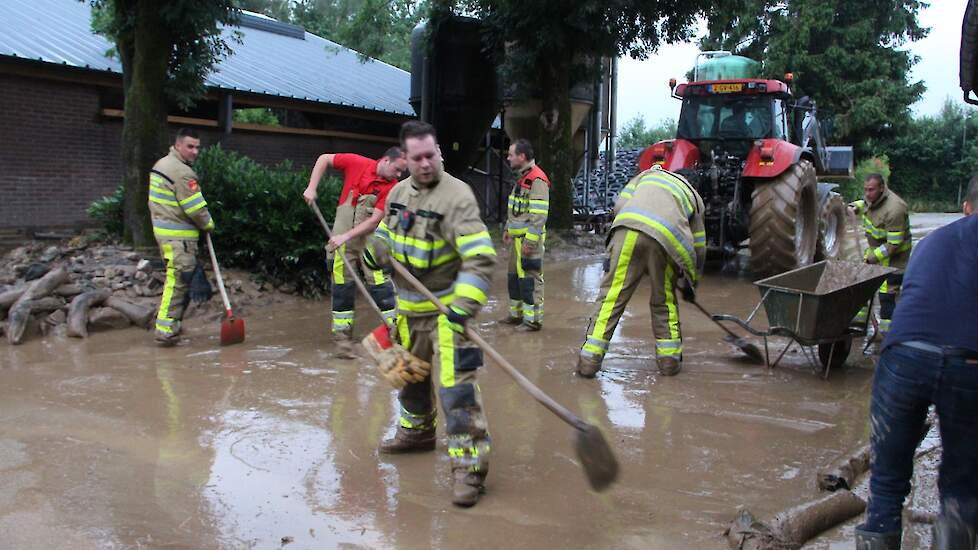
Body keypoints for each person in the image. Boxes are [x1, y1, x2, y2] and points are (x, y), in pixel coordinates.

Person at [362, 121, 496, 507]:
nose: (424, 163)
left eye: (430, 155)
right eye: (416, 157)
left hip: (448, 312)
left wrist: (463, 307)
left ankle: (469, 471)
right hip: (409, 310)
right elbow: (386, 236)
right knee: (409, 379)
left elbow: (479, 259)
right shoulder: (399, 193)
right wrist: (375, 252)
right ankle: (417, 435)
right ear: (404, 158)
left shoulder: (458, 197)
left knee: (458, 394)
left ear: (439, 153)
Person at [855, 175, 978, 550]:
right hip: (968, 362)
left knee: (887, 480)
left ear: (967, 207)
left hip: (901, 356)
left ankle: (878, 533)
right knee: (961, 483)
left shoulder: (934, 241)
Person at [576, 165, 706, 378]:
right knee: (664, 301)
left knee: (611, 298)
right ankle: (669, 362)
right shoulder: (693, 196)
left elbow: (619, 206)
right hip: (666, 242)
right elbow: (699, 247)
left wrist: (616, 246)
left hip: (627, 231)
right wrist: (692, 283)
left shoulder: (648, 175)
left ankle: (588, 361)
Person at [303, 148, 406, 351]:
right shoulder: (356, 163)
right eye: (397, 170)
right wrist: (311, 187)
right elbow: (324, 158)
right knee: (341, 288)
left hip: (370, 244)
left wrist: (345, 237)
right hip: (342, 245)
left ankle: (397, 334)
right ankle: (343, 341)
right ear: (386, 160)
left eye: (401, 172)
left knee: (381, 287)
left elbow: (374, 221)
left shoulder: (393, 188)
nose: (399, 176)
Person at [148, 128, 215, 346]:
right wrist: (209, 224)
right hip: (179, 239)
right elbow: (195, 209)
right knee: (177, 282)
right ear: (178, 145)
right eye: (190, 146)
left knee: (176, 279)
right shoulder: (182, 172)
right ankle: (166, 331)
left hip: (166, 236)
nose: (195, 151)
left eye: (197, 147)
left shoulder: (161, 165)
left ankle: (171, 326)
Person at [848, 174, 912, 340]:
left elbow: (894, 244)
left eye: (871, 190)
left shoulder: (895, 209)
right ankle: (858, 325)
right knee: (860, 288)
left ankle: (887, 335)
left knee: (887, 297)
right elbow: (866, 204)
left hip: (895, 261)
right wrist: (854, 206)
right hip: (876, 255)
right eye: (865, 190)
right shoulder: (873, 198)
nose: (867, 194)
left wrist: (872, 259)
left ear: (882, 188)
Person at [499, 138, 550, 331]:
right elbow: (515, 209)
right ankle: (516, 315)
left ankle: (533, 321)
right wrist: (507, 229)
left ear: (522, 156)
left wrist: (530, 240)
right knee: (514, 277)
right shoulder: (522, 177)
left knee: (530, 279)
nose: (508, 157)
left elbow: (539, 215)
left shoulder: (537, 179)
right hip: (517, 240)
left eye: (511, 154)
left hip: (529, 241)